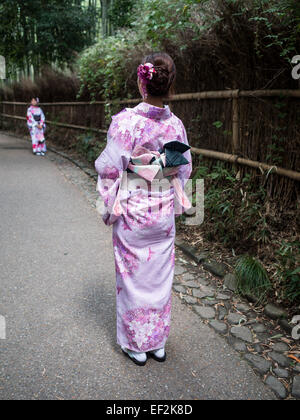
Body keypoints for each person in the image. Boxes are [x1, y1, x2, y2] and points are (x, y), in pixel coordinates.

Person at [95, 53, 192, 366]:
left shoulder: (125, 124)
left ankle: (137, 345)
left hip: (134, 216)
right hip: (162, 216)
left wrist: (112, 199)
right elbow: (183, 169)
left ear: (141, 82)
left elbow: (111, 169)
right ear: (170, 86)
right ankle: (157, 343)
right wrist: (162, 171)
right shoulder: (176, 125)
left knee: (133, 278)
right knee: (160, 278)